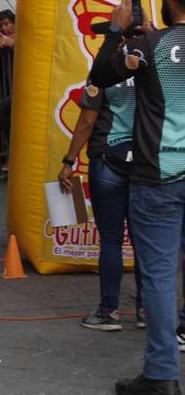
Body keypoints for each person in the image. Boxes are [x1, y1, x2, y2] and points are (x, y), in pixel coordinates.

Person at [89, 0, 185, 395]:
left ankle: (162, 374)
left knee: (160, 276)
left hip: (158, 175)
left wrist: (116, 31)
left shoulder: (150, 45)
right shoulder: (154, 41)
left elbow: (102, 76)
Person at [57, 70, 144, 331]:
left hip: (109, 160)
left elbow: (86, 120)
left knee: (110, 239)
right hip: (145, 161)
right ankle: (146, 309)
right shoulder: (153, 67)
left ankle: (109, 311)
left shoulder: (106, 72)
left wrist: (69, 161)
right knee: (146, 241)